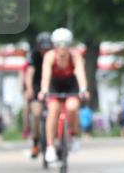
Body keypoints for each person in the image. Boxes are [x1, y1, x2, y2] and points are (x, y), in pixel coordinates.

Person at [38, 27, 89, 164]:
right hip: (54, 85)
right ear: (54, 45)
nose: (62, 48)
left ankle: (73, 135)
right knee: (53, 110)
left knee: (72, 107)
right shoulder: (50, 56)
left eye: (65, 45)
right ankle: (50, 146)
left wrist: (84, 89)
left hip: (70, 84)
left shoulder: (75, 56)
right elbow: (46, 75)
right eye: (59, 45)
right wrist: (43, 90)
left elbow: (79, 72)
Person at [23, 32, 52, 158]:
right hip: (36, 86)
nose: (45, 51)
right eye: (43, 48)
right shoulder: (34, 55)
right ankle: (35, 142)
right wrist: (29, 89)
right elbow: (29, 73)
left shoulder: (54, 55)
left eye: (48, 48)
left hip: (51, 84)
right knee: (36, 113)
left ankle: (59, 140)